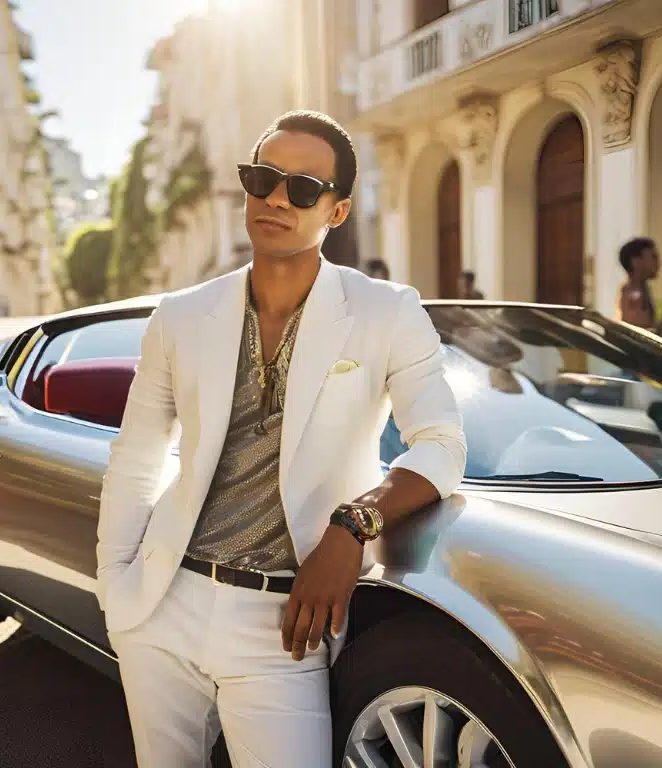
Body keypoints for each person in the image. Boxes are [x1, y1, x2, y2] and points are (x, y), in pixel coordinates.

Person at [96, 110, 466, 768]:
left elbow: (441, 444)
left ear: (339, 210)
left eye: (301, 188)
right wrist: (118, 596)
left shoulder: (386, 311)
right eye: (262, 177)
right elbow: (136, 459)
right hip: (164, 603)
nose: (274, 198)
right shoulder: (180, 317)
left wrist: (353, 525)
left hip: (283, 624)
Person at [615, 237, 662, 332]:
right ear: (635, 262)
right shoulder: (634, 294)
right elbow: (638, 332)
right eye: (653, 257)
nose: (658, 263)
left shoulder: (641, 290)